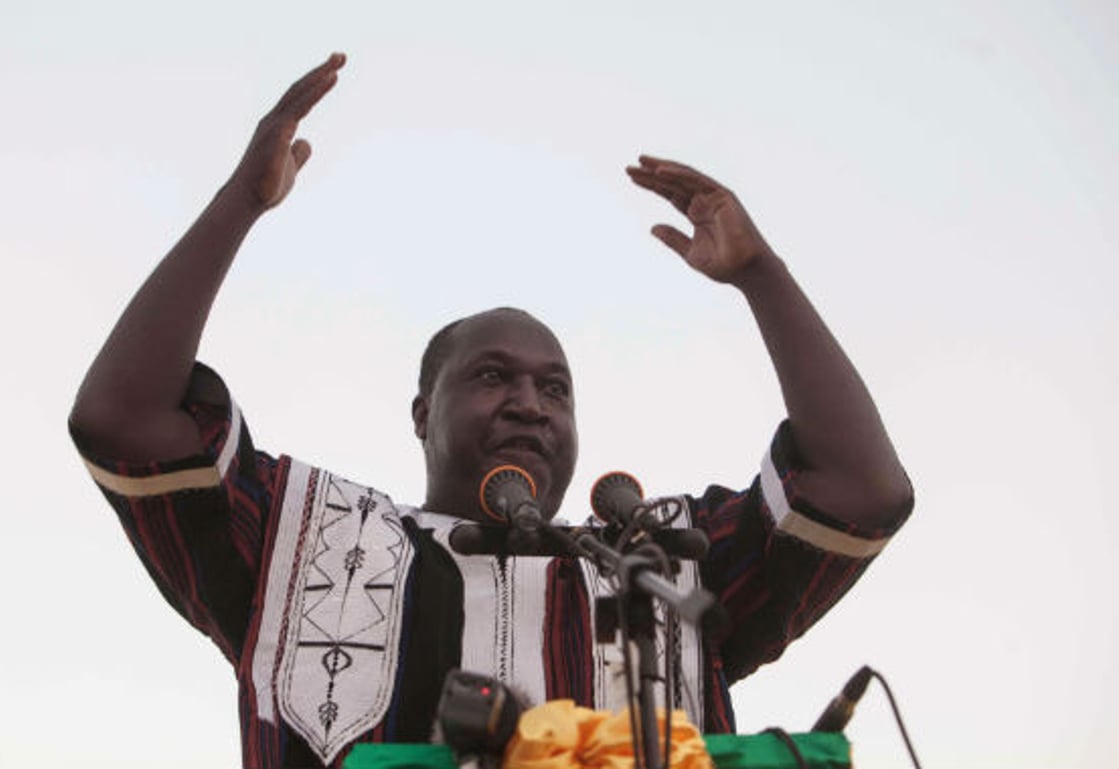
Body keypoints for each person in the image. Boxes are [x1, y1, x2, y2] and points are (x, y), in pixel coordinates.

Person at [70, 53, 913, 769]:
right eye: (491, 376)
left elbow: (858, 489)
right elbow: (124, 421)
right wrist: (238, 204)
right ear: (419, 412)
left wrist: (759, 273)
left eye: (555, 388)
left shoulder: (660, 561)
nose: (528, 404)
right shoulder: (300, 535)